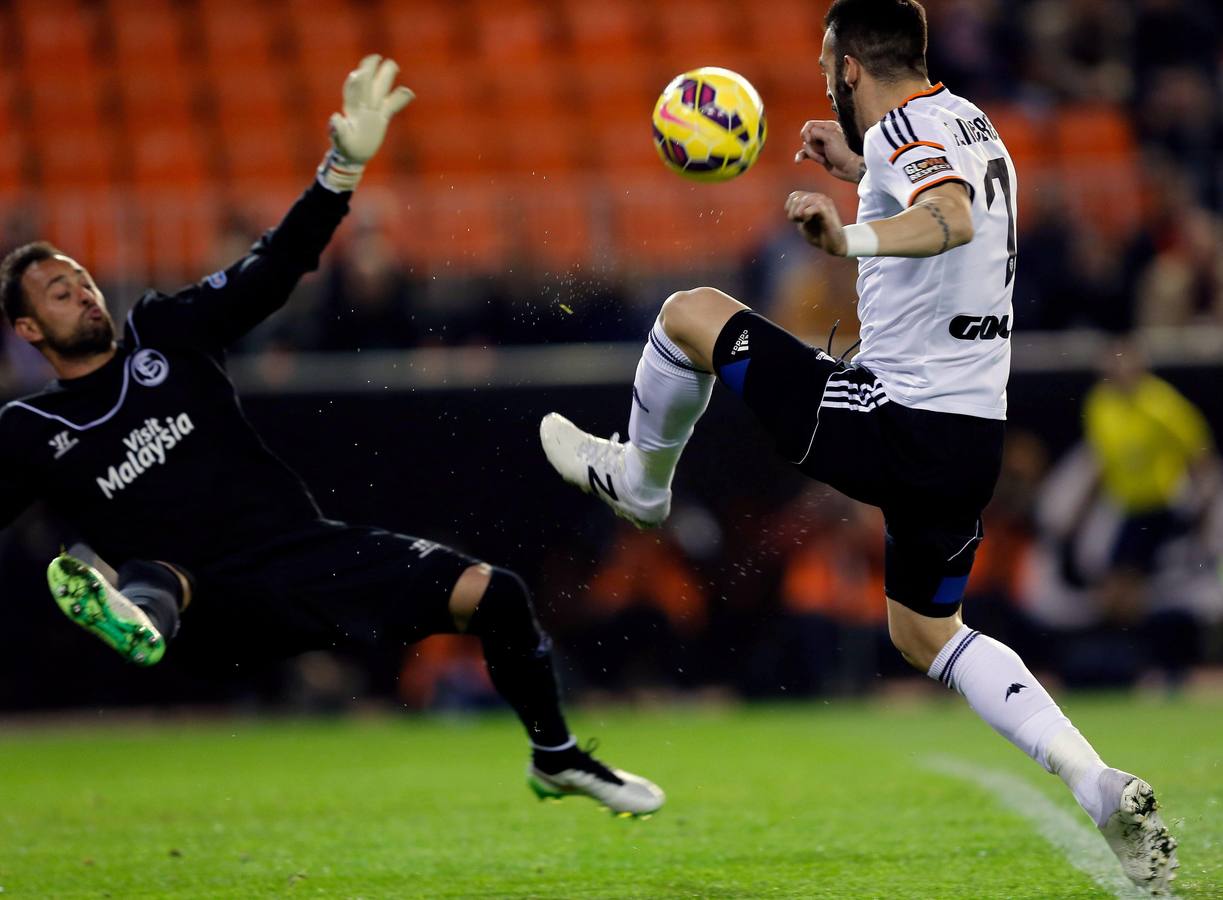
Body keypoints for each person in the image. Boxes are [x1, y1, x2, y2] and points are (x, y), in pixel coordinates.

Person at [539, 0, 1175, 887]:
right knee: (925, 632)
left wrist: (849, 233)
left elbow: (947, 215)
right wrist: (861, 170)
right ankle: (1095, 781)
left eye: (821, 66)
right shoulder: (966, 120)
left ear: (846, 69)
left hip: (895, 420)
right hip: (968, 438)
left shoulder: (913, 130)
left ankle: (640, 484)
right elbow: (946, 194)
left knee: (689, 315)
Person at [0, 55, 662, 818]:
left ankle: (556, 756)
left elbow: (272, 268)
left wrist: (342, 165)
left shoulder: (166, 333)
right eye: (58, 290)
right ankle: (134, 609)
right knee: (165, 570)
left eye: (81, 278)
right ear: (26, 330)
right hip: (208, 614)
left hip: (301, 556)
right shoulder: (28, 429)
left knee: (495, 594)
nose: (81, 291)